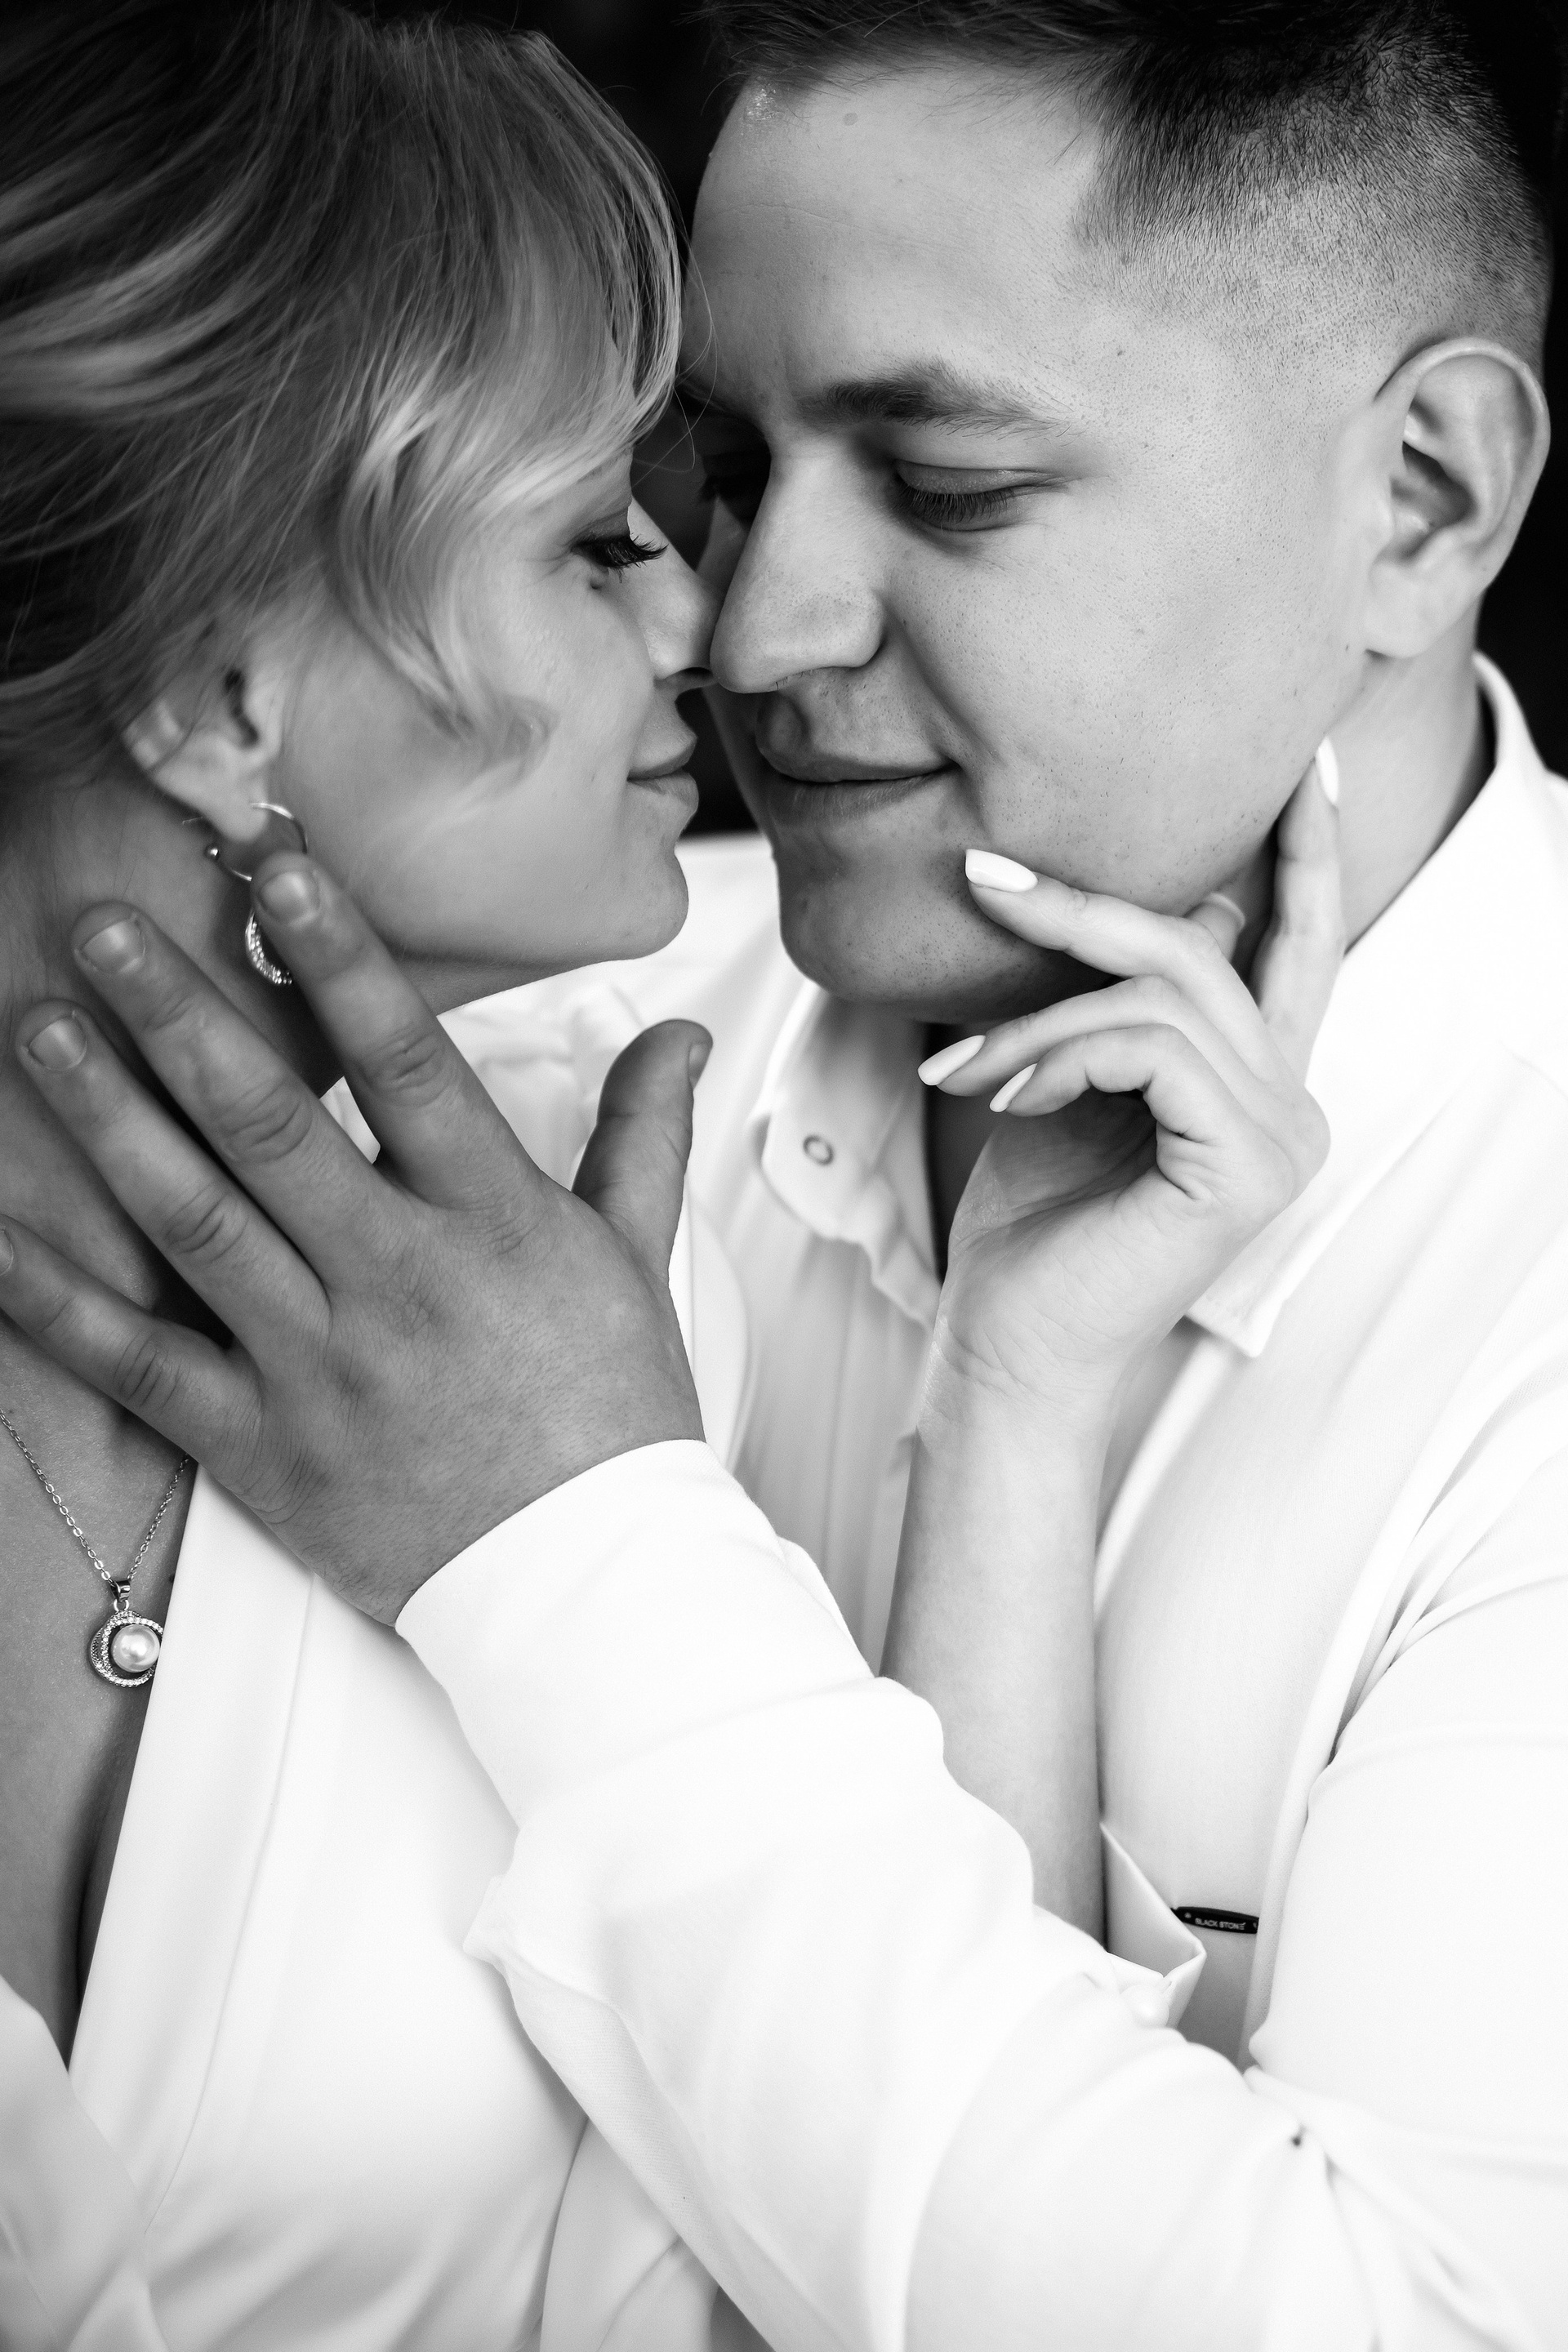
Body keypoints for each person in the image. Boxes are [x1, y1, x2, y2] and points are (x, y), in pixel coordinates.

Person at [5, 0, 1567, 2346]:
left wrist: (577, 1543)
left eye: (947, 482)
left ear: (1425, 499)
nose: (750, 629)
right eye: (717, 470)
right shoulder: (525, 1064)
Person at [0, 5, 737, 2345]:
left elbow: (734, 2252)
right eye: (596, 546)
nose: (705, 623)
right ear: (218, 702)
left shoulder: (598, 1273)